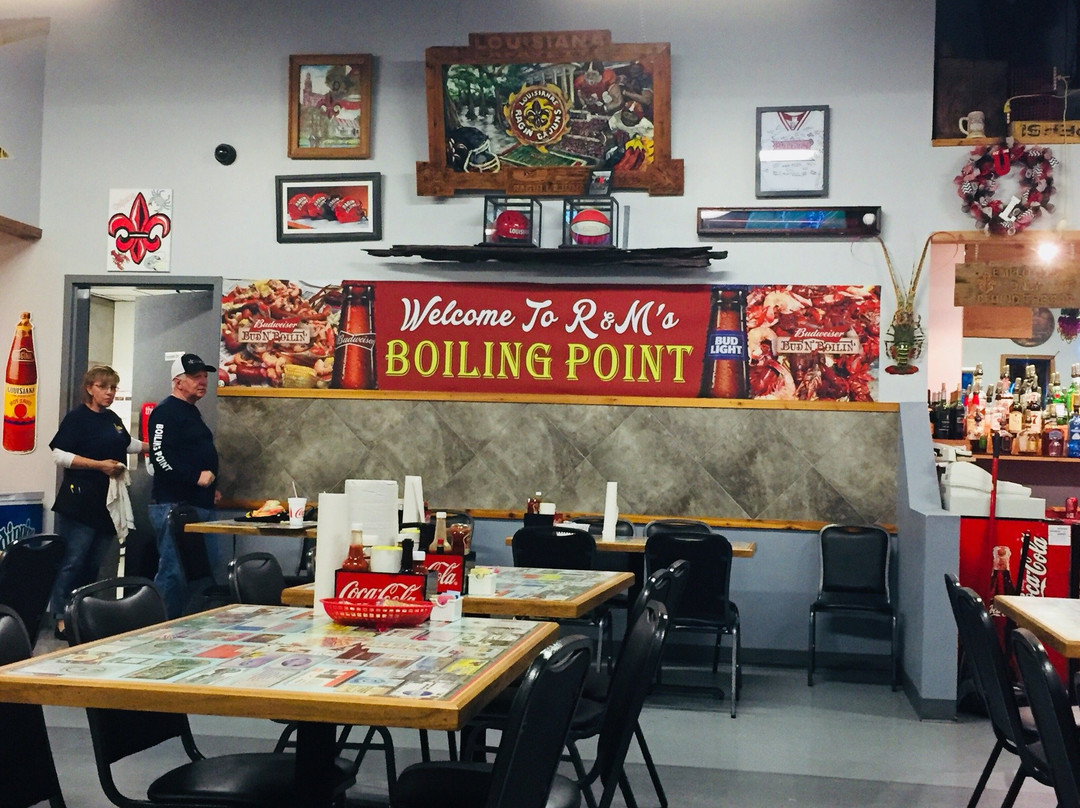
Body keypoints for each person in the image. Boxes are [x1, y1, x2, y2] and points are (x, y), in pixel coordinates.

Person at [49, 365, 146, 639]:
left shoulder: (112, 418)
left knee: (94, 564)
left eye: (113, 388)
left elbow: (126, 443)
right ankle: (61, 619)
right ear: (90, 388)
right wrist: (98, 465)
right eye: (103, 387)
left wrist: (157, 447)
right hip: (80, 502)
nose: (109, 393)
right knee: (73, 561)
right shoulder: (77, 418)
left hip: (106, 504)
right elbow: (59, 455)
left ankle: (82, 613)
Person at [147, 352, 221, 618]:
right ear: (178, 382)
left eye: (204, 376)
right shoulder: (165, 411)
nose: (203, 381)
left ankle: (186, 627)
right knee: (174, 572)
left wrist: (210, 488)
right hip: (174, 506)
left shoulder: (191, 411)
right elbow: (160, 457)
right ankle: (160, 627)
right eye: (195, 376)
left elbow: (191, 453)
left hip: (199, 502)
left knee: (200, 574)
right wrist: (194, 477)